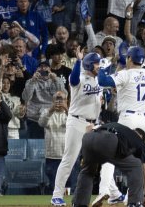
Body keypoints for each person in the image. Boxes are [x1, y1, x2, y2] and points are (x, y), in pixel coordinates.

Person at [97, 46, 145, 206]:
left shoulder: (125, 74)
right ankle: (142, 197)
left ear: (130, 59)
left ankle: (106, 191)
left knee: (109, 154)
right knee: (141, 161)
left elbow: (102, 81)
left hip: (128, 120)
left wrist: (103, 67)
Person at [51, 48, 102, 207]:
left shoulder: (99, 80)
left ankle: (110, 192)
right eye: (96, 63)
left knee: (102, 158)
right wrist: (79, 61)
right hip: (77, 122)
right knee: (69, 159)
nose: (98, 66)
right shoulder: (79, 77)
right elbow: (72, 80)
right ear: (88, 65)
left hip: (93, 124)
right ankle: (57, 196)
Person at [72, 123, 145, 207]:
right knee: (136, 166)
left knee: (88, 171)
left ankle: (79, 203)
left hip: (88, 137)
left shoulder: (120, 127)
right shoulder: (141, 143)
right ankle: (135, 203)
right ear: (141, 138)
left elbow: (90, 128)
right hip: (108, 140)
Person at [22, 61, 64, 139]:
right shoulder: (31, 81)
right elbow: (26, 97)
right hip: (35, 119)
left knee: (52, 147)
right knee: (35, 148)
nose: (43, 69)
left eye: (46, 66)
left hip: (52, 119)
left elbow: (64, 95)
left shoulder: (57, 80)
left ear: (50, 69)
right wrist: (32, 81)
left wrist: (55, 80)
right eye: (41, 67)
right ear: (37, 69)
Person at [38, 90, 68, 193]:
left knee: (69, 188)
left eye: (61, 99)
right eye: (57, 99)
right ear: (53, 100)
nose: (59, 102)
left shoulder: (71, 114)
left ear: (66, 100)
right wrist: (51, 110)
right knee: (53, 187)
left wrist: (67, 109)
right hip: (52, 157)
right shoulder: (46, 112)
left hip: (67, 157)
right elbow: (41, 123)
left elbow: (75, 126)